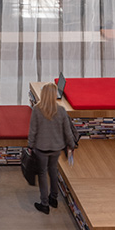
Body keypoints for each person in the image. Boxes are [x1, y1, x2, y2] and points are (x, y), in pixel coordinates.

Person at [27, 82, 77, 215]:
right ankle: (53, 199)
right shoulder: (60, 110)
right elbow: (67, 131)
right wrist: (71, 145)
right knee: (53, 171)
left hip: (41, 148)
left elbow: (33, 130)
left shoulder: (37, 109)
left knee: (43, 174)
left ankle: (44, 204)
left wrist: (30, 145)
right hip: (56, 148)